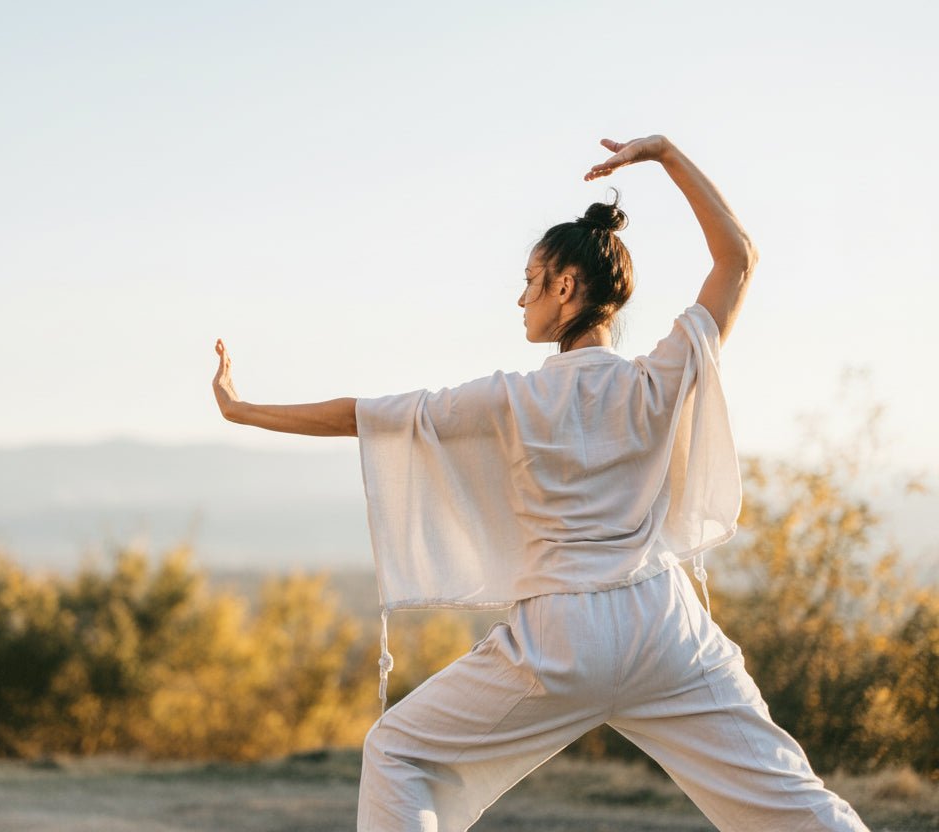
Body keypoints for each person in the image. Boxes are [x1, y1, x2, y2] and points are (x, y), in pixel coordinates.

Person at [211, 135, 869, 831]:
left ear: (565, 286)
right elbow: (737, 258)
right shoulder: (660, 377)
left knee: (398, 752)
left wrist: (242, 408)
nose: (520, 296)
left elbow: (366, 418)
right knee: (794, 806)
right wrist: (668, 155)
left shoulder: (509, 400)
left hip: (562, 639)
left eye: (530, 279)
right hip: (664, 629)